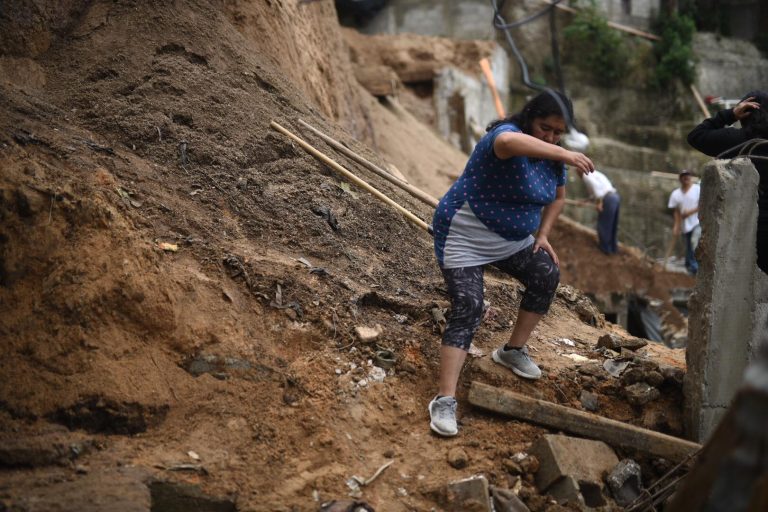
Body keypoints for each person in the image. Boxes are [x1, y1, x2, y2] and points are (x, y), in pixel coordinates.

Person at [428, 91, 595, 437]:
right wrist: (564, 152)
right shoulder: (504, 138)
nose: (549, 137)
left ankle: (512, 350)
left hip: (511, 240)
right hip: (465, 234)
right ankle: (445, 400)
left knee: (546, 273)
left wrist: (544, 234)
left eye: (557, 133)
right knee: (469, 305)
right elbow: (508, 141)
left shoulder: (552, 156)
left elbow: (559, 197)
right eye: (543, 128)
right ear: (528, 118)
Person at [687, 91, 768, 275]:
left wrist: (730, 114)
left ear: (745, 112)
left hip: (744, 232)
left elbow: (696, 136)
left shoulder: (736, 140)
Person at [668, 169, 701, 275]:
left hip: (698, 222)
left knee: (694, 242)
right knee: (688, 247)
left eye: (688, 175)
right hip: (685, 225)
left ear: (690, 177)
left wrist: (690, 212)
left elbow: (703, 204)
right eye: (683, 176)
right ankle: (689, 266)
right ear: (680, 179)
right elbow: (676, 211)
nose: (686, 178)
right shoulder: (676, 194)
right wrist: (676, 226)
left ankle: (695, 268)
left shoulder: (698, 189)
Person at [581, 169, 620, 254]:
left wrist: (599, 203)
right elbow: (597, 191)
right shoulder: (595, 173)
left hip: (608, 199)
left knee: (604, 225)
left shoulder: (586, 175)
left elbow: (596, 188)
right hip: (615, 197)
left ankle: (605, 249)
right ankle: (613, 249)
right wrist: (586, 201)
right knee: (612, 225)